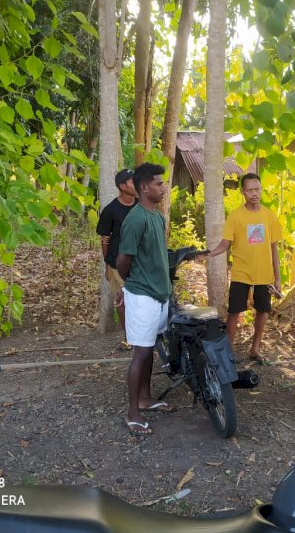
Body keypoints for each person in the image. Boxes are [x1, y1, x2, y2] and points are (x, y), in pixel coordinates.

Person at [116, 163, 173, 435]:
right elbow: (122, 260)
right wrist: (133, 285)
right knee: (140, 352)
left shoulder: (157, 217)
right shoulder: (135, 219)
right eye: (159, 184)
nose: (164, 187)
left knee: (149, 348)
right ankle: (133, 413)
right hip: (142, 296)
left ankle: (145, 397)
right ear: (143, 188)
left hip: (159, 294)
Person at [206, 173, 282, 362]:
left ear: (261, 189)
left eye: (257, 189)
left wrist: (277, 277)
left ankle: (255, 349)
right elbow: (225, 244)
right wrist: (209, 253)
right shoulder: (235, 216)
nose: (254, 193)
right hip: (241, 272)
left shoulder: (269, 216)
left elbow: (274, 248)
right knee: (234, 312)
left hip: (264, 274)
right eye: (249, 190)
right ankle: (228, 350)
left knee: (263, 311)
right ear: (243, 192)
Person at [96, 169, 137, 332]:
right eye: (133, 182)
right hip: (117, 262)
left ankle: (139, 335)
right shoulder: (110, 210)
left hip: (140, 262)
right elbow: (105, 239)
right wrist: (107, 265)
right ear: (122, 186)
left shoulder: (142, 206)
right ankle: (129, 337)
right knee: (123, 299)